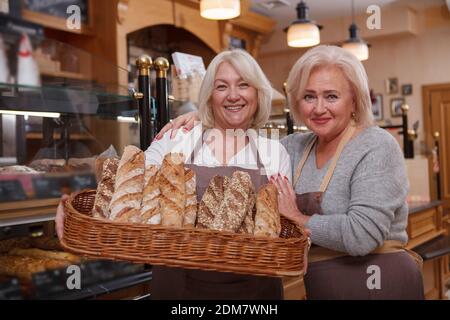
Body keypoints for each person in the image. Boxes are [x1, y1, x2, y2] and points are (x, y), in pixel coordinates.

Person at [157, 45, 424, 300]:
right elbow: (240, 139)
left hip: (376, 282)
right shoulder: (293, 148)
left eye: (331, 96)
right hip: (321, 286)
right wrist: (200, 119)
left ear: (354, 100)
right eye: (309, 97)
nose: (319, 108)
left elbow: (362, 235)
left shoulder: (375, 145)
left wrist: (298, 217)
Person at [56, 49, 292, 299]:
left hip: (255, 292)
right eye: (222, 86)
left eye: (243, 85)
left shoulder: (273, 152)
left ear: (257, 92)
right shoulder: (178, 137)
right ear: (210, 95)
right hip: (178, 288)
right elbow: (128, 184)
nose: (233, 95)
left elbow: (283, 224)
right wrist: (72, 207)